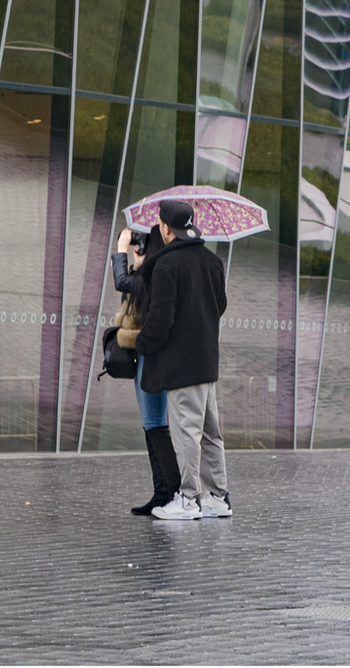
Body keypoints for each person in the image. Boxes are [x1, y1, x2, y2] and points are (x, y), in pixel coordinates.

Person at [133, 199, 230, 520]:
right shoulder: (213, 261)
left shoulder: (166, 265)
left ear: (164, 227)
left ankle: (189, 500)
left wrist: (143, 344)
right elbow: (220, 306)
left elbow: (160, 320)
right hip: (207, 362)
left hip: (181, 365)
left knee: (187, 433)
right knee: (210, 432)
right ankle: (218, 497)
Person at [112, 228, 179, 516]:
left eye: (140, 249)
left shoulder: (151, 276)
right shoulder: (149, 277)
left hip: (153, 360)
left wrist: (121, 249)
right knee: (152, 427)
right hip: (147, 359)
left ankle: (171, 492)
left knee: (156, 427)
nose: (134, 255)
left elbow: (122, 281)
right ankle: (161, 492)